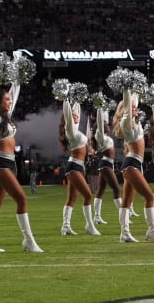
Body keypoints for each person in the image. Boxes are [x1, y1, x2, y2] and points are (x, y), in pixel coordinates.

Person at [0, 69, 43, 252]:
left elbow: (14, 93)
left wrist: (18, 76)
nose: (9, 101)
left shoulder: (6, 117)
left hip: (10, 163)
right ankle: (28, 241)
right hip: (0, 163)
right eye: (6, 99)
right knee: (21, 199)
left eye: (9, 99)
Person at [112, 88, 154, 243]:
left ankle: (124, 234)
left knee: (127, 200)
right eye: (132, 107)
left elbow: (134, 102)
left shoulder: (134, 122)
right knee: (149, 196)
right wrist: (126, 88)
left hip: (134, 164)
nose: (136, 109)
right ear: (125, 109)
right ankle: (152, 231)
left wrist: (136, 89)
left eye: (136, 107)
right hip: (131, 165)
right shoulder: (125, 122)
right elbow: (128, 107)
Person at [58, 99, 100, 236]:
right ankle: (89, 225)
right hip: (74, 166)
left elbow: (77, 111)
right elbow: (68, 113)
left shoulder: (75, 130)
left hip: (79, 166)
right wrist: (65, 98)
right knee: (88, 195)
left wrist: (76, 99)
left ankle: (65, 227)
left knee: (72, 198)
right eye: (73, 115)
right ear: (68, 117)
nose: (77, 116)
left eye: (77, 114)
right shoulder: (69, 130)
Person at [92, 105, 122, 225]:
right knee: (116, 189)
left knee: (100, 191)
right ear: (100, 127)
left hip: (107, 164)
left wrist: (104, 109)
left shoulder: (105, 137)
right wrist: (99, 107)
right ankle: (123, 214)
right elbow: (99, 122)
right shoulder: (100, 135)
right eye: (106, 124)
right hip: (105, 164)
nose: (108, 125)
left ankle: (97, 217)